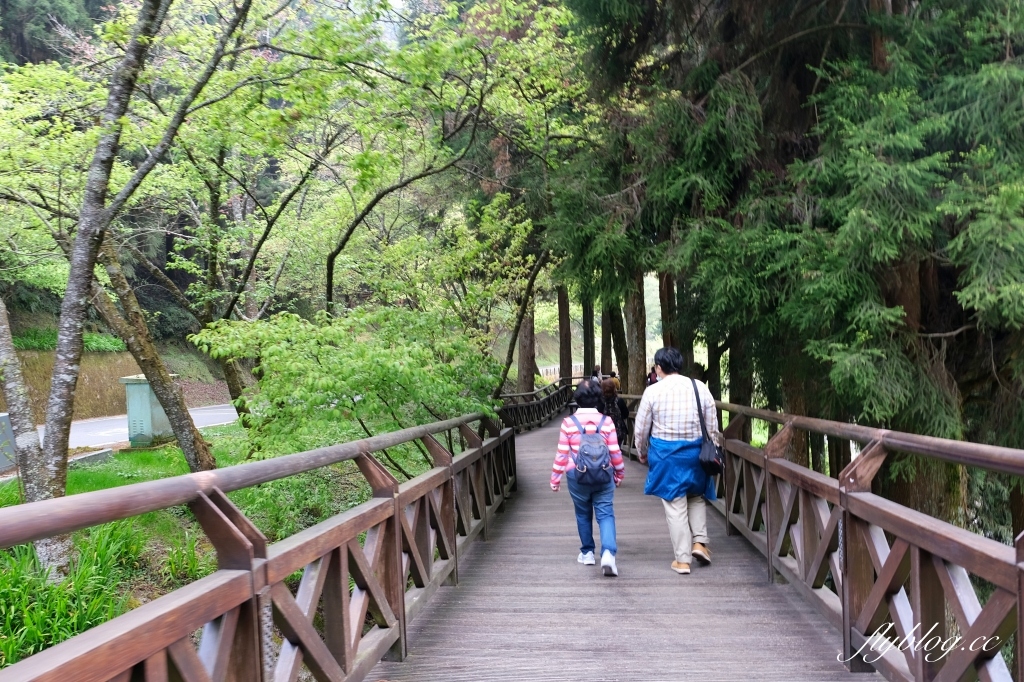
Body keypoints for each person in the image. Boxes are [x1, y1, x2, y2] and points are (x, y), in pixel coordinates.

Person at [634, 347, 719, 575]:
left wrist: (641, 451)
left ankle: (682, 560)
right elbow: (712, 426)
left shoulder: (653, 391)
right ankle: (699, 543)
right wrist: (713, 448)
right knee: (696, 496)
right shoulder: (699, 387)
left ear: (658, 367)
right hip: (696, 454)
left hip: (666, 456)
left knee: (675, 504)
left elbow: (641, 428)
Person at [551, 379, 625, 577]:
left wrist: (555, 478)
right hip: (603, 474)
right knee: (606, 514)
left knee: (582, 513)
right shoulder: (606, 422)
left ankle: (587, 553)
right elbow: (615, 452)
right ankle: (608, 553)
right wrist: (619, 473)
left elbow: (562, 454)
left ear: (577, 398)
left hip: (577, 475)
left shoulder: (568, 423)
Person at [599, 377, 627, 444]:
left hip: (602, 432)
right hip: (618, 432)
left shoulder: (599, 402)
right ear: (614, 388)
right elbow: (626, 414)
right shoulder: (619, 401)